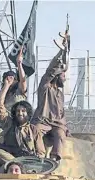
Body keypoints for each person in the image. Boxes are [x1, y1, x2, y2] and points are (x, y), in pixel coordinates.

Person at [31, 33, 69, 161]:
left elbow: (61, 113)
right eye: (63, 76)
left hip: (57, 124)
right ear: (57, 76)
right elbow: (51, 70)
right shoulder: (45, 88)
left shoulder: (60, 94)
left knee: (60, 135)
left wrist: (66, 48)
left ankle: (54, 159)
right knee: (35, 130)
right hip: (43, 121)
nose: (65, 79)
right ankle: (40, 156)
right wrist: (61, 53)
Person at [0, 76, 46, 167]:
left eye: (23, 111)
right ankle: (18, 165)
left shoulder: (33, 130)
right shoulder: (9, 123)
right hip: (11, 159)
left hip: (29, 161)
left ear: (28, 113)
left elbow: (41, 152)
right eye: (18, 111)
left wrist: (37, 158)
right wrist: (6, 85)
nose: (20, 113)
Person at [0, 49, 28, 142]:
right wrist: (6, 85)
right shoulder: (2, 93)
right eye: (7, 78)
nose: (10, 81)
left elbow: (23, 81)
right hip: (3, 122)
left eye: (13, 79)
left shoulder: (19, 92)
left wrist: (19, 64)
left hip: (17, 121)